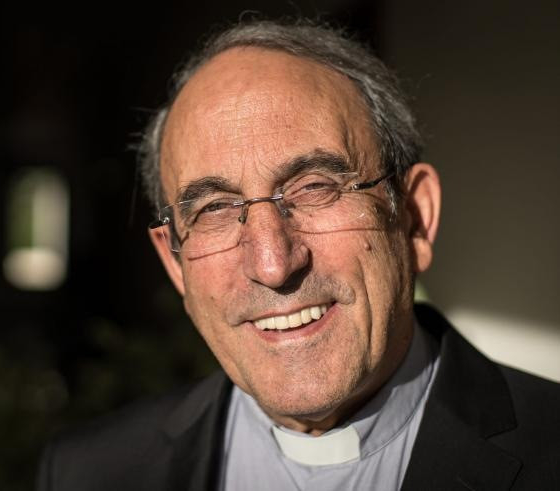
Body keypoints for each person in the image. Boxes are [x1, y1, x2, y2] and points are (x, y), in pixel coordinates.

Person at [38, 19, 560, 490]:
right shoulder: (88, 473)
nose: (273, 264)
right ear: (174, 261)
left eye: (315, 188)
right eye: (215, 208)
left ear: (413, 218)